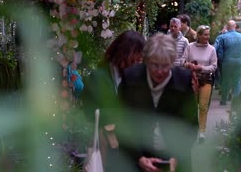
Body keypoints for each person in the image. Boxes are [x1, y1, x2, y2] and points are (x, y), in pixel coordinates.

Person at [117, 33, 198, 172]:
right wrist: (139, 158)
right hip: (137, 157)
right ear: (146, 61)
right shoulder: (130, 78)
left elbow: (191, 126)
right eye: (154, 65)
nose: (160, 71)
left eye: (165, 65)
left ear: (173, 61)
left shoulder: (184, 80)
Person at [82, 30, 146, 171]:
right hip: (108, 145)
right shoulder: (98, 76)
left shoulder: (135, 76)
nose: (139, 59)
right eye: (137, 55)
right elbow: (88, 112)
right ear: (126, 52)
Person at [181, 25, 217, 142]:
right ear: (199, 35)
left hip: (206, 80)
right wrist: (188, 65)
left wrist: (202, 68)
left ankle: (202, 132)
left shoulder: (212, 49)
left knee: (203, 106)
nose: (208, 37)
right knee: (192, 107)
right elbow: (182, 60)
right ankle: (192, 129)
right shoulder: (190, 47)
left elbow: (214, 66)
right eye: (205, 34)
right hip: (191, 80)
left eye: (208, 34)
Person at [214, 20, 241, 105]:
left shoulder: (222, 37)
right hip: (239, 62)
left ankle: (224, 100)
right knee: (237, 80)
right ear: (235, 26)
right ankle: (236, 101)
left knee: (225, 81)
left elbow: (217, 50)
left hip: (226, 62)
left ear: (227, 27)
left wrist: (220, 60)